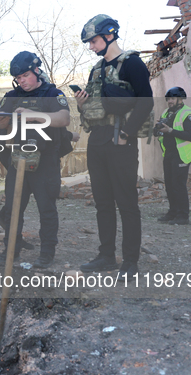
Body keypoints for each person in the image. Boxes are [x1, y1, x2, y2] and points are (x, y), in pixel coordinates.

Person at [75, 15, 153, 279]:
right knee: (103, 203)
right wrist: (81, 104)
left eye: (93, 40)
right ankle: (106, 255)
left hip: (121, 140)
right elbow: (90, 109)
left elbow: (146, 102)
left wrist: (127, 134)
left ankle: (130, 262)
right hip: (97, 141)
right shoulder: (96, 70)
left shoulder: (132, 64)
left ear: (109, 35)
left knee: (127, 203)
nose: (91, 46)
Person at [0, 51, 77, 268]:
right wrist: (1, 122)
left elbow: (64, 118)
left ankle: (47, 253)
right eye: (18, 78)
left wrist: (33, 114)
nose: (22, 81)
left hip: (46, 161)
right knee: (12, 209)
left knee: (46, 209)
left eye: (25, 76)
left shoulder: (52, 93)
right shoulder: (11, 97)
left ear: (36, 71)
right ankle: (12, 250)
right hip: (17, 159)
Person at [155, 87, 191, 224]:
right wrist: (157, 129)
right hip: (169, 152)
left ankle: (183, 216)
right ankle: (173, 212)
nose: (170, 101)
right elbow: (162, 132)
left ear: (180, 99)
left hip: (182, 153)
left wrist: (170, 130)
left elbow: (190, 136)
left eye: (172, 99)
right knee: (169, 183)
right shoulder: (166, 113)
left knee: (178, 184)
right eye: (168, 99)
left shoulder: (189, 114)